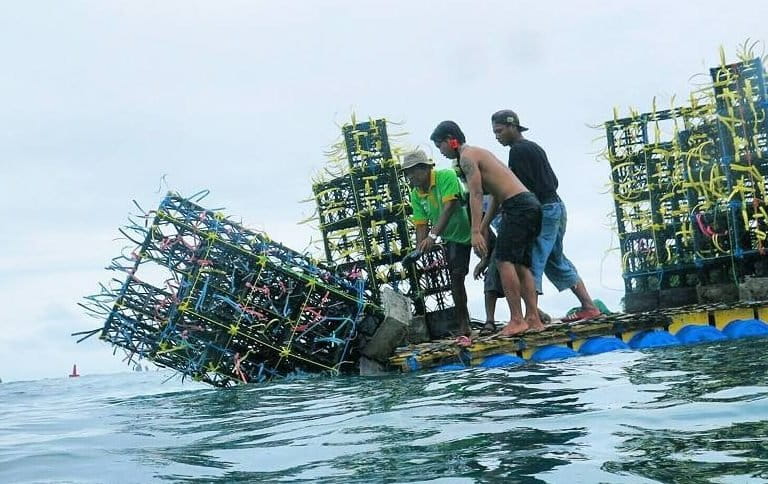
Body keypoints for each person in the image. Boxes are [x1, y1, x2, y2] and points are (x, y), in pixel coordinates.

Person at [430, 121, 545, 336]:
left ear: (450, 140)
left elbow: (476, 194)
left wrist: (474, 232)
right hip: (530, 205)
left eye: (440, 146)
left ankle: (517, 320)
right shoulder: (479, 153)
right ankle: (533, 318)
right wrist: (483, 226)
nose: (441, 152)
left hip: (518, 206)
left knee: (503, 261)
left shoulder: (466, 157)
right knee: (521, 264)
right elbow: (496, 197)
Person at [491, 110, 601, 322]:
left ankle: (532, 315)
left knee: (532, 260)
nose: (497, 136)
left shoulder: (518, 151)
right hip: (555, 206)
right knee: (555, 260)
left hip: (544, 210)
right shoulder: (533, 147)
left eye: (500, 131)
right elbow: (552, 180)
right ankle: (588, 306)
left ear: (512, 126)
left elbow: (522, 189)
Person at [402, 149, 472, 337]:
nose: (410, 176)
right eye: (407, 173)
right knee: (456, 278)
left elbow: (450, 206)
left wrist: (432, 237)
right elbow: (421, 224)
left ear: (425, 168)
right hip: (453, 238)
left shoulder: (445, 176)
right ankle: (464, 326)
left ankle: (527, 313)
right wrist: (418, 250)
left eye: (413, 171)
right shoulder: (415, 194)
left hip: (475, 228)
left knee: (501, 267)